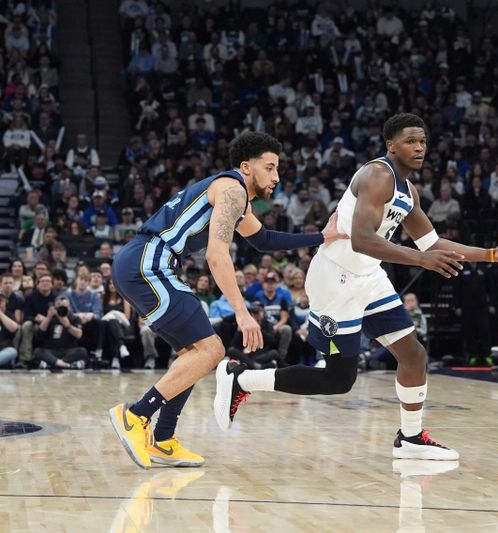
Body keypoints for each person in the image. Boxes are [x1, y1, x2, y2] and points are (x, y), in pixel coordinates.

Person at [215, 113, 498, 460]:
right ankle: (241, 379)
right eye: (410, 141)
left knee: (413, 353)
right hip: (337, 277)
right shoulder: (376, 175)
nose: (419, 147)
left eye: (422, 142)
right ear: (391, 145)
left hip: (369, 276)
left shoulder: (409, 192)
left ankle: (411, 437)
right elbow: (361, 239)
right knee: (338, 380)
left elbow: (432, 243)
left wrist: (495, 254)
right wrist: (420, 261)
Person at [108, 132, 347, 469]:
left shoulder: (235, 197)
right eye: (270, 167)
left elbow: (263, 239)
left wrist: (322, 236)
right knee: (212, 350)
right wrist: (242, 312)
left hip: (143, 262)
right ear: (247, 167)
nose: (276, 177)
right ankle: (136, 415)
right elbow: (217, 255)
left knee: (195, 354)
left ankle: (162, 439)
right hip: (150, 262)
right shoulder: (233, 189)